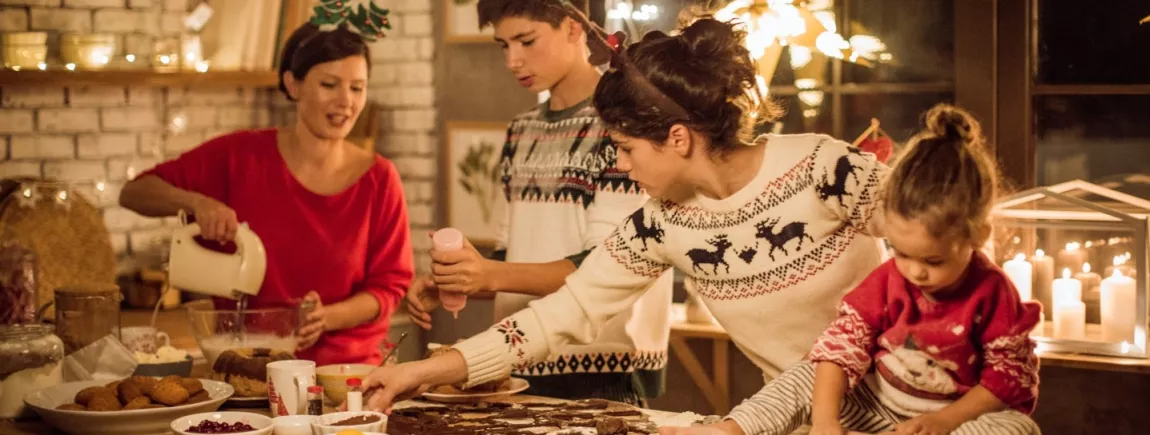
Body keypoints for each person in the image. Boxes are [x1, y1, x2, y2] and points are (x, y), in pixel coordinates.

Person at [362, 14, 891, 413]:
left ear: (677, 138)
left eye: (626, 148)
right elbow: (560, 316)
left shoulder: (824, 166)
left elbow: (948, 234)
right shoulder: (661, 223)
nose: (619, 163)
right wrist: (426, 371)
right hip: (801, 418)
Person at [665, 105, 1043, 435]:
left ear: (978, 235)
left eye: (933, 261)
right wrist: (826, 422)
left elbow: (1008, 380)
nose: (914, 272)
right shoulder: (888, 280)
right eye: (901, 253)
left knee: (1015, 427)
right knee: (806, 372)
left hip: (955, 419)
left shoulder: (994, 294)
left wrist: (944, 423)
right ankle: (732, 428)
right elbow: (840, 350)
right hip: (877, 407)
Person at [405, 0, 673, 406]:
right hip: (517, 360)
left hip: (602, 369)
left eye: (526, 41)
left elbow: (606, 265)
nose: (513, 60)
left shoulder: (622, 127)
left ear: (573, 27)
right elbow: (509, 252)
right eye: (503, 45)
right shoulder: (522, 129)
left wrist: (489, 274)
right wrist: (461, 280)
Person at [119, 24, 414, 366]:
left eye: (357, 88)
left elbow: (389, 289)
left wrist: (326, 317)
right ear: (293, 84)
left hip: (349, 375)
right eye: (329, 84)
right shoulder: (239, 156)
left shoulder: (379, 179)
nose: (345, 101)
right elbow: (135, 192)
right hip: (248, 368)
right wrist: (198, 203)